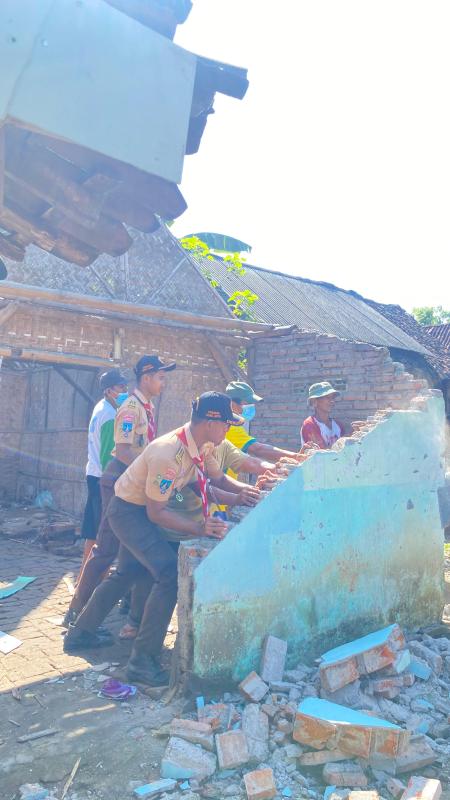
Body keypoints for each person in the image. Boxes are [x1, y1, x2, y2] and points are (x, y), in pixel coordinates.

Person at [64, 392, 260, 686]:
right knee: (168, 573)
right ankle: (141, 662)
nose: (228, 430)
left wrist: (241, 496)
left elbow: (208, 482)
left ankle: (80, 634)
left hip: (145, 506)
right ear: (210, 422)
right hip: (129, 512)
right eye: (226, 424)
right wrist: (200, 528)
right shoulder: (169, 453)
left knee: (129, 571)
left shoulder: (201, 445)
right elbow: (156, 513)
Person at [63, 354, 175, 629]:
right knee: (105, 549)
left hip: (131, 481)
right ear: (146, 378)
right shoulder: (130, 408)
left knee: (128, 550)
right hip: (118, 480)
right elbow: (123, 451)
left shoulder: (145, 407)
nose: (164, 383)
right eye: (161, 377)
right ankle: (76, 613)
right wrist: (151, 470)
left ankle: (127, 613)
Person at [76, 368, 128, 583]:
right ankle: (94, 580)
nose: (124, 390)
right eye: (120, 387)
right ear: (109, 390)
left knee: (93, 530)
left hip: (93, 474)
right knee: (103, 533)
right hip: (103, 479)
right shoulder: (110, 415)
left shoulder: (101, 407)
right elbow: (109, 456)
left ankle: (83, 578)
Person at [225, 381, 299, 468]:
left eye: (252, 403)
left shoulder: (234, 422)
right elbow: (257, 449)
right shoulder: (230, 425)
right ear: (232, 404)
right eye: (247, 403)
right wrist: (296, 457)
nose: (251, 406)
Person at [300, 382, 344, 449]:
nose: (332, 401)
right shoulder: (310, 425)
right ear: (314, 402)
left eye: (332, 398)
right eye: (327, 397)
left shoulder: (338, 426)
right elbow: (321, 452)